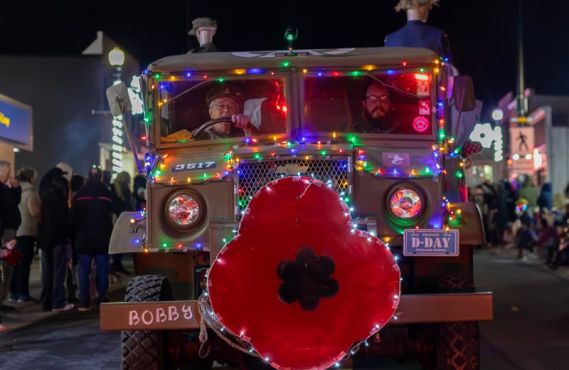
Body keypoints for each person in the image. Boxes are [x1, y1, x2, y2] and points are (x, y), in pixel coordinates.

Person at [70, 166, 114, 311]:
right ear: (101, 177)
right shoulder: (106, 193)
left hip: (83, 238)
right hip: (102, 238)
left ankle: (84, 301)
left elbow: (73, 218)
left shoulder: (80, 194)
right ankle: (102, 298)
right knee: (102, 269)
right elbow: (116, 209)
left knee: (84, 270)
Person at [38, 167, 74, 312]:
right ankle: (58, 302)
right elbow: (64, 221)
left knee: (47, 273)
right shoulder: (60, 202)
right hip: (58, 239)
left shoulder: (45, 197)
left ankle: (46, 302)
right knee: (59, 273)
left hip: (45, 239)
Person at [385, 0, 452, 63]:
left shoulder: (389, 39)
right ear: (423, 8)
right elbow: (449, 69)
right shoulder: (438, 35)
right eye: (429, 8)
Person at [9, 167, 41, 303]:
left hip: (13, 231)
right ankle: (23, 293)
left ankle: (13, 293)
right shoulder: (31, 192)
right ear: (30, 178)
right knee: (24, 264)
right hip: (26, 231)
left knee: (14, 264)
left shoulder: (13, 189)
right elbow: (34, 212)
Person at [0, 160, 21, 311]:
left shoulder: (5, 188)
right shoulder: (1, 188)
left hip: (10, 230)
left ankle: (2, 298)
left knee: (9, 266)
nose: (10, 174)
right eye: (8, 171)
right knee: (6, 265)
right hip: (5, 232)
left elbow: (13, 204)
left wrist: (15, 189)